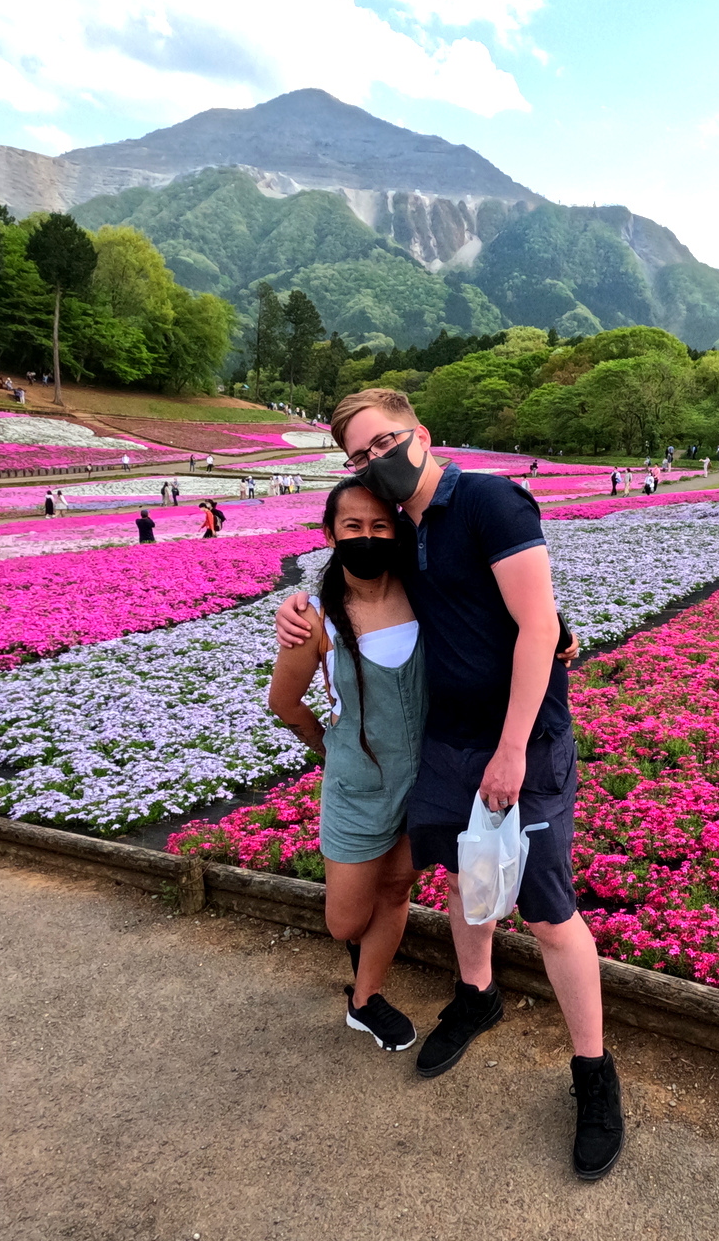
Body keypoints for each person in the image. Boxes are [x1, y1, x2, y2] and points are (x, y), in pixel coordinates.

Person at [275, 388, 623, 1181]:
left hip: (520, 742)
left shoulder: (491, 501)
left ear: (421, 435)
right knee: (465, 878)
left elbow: (539, 625)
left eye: (385, 443)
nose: (376, 462)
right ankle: (476, 995)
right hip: (448, 742)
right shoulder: (408, 529)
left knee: (547, 909)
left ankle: (593, 1074)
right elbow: (363, 589)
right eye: (360, 456)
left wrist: (512, 749)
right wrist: (296, 612)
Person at [267, 479, 424, 1050]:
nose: (367, 537)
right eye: (352, 527)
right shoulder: (315, 621)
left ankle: (364, 999)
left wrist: (559, 634)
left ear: (398, 531)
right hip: (357, 790)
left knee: (397, 890)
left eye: (380, 527)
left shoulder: (423, 594)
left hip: (424, 783)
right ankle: (364, 953)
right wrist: (332, 750)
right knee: (344, 922)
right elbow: (284, 703)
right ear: (330, 534)